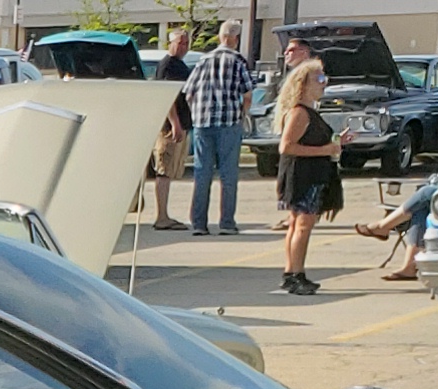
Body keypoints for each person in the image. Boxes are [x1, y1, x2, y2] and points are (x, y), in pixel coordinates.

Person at [271, 39, 339, 294]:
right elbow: (286, 146)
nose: (324, 83)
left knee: (297, 224)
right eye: (319, 79)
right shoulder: (299, 113)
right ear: (304, 84)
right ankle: (295, 274)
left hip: (308, 174)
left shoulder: (309, 112)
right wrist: (324, 150)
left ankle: (292, 272)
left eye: (324, 78)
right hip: (302, 176)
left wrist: (335, 144)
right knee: (302, 225)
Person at [183, 35, 254, 235]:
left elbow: (188, 93)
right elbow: (247, 94)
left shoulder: (203, 60)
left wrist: (196, 113)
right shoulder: (237, 61)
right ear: (235, 38)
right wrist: (242, 115)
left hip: (202, 122)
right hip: (229, 122)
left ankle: (199, 224)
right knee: (228, 175)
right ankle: (226, 223)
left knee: (202, 173)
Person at [144, 29, 195, 227]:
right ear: (170, 43)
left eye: (186, 43)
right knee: (164, 171)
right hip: (169, 128)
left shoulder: (180, 65)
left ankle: (165, 215)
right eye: (180, 42)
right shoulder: (167, 65)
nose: (183, 47)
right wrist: (175, 123)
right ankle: (161, 217)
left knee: (171, 170)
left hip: (182, 123)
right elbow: (168, 97)